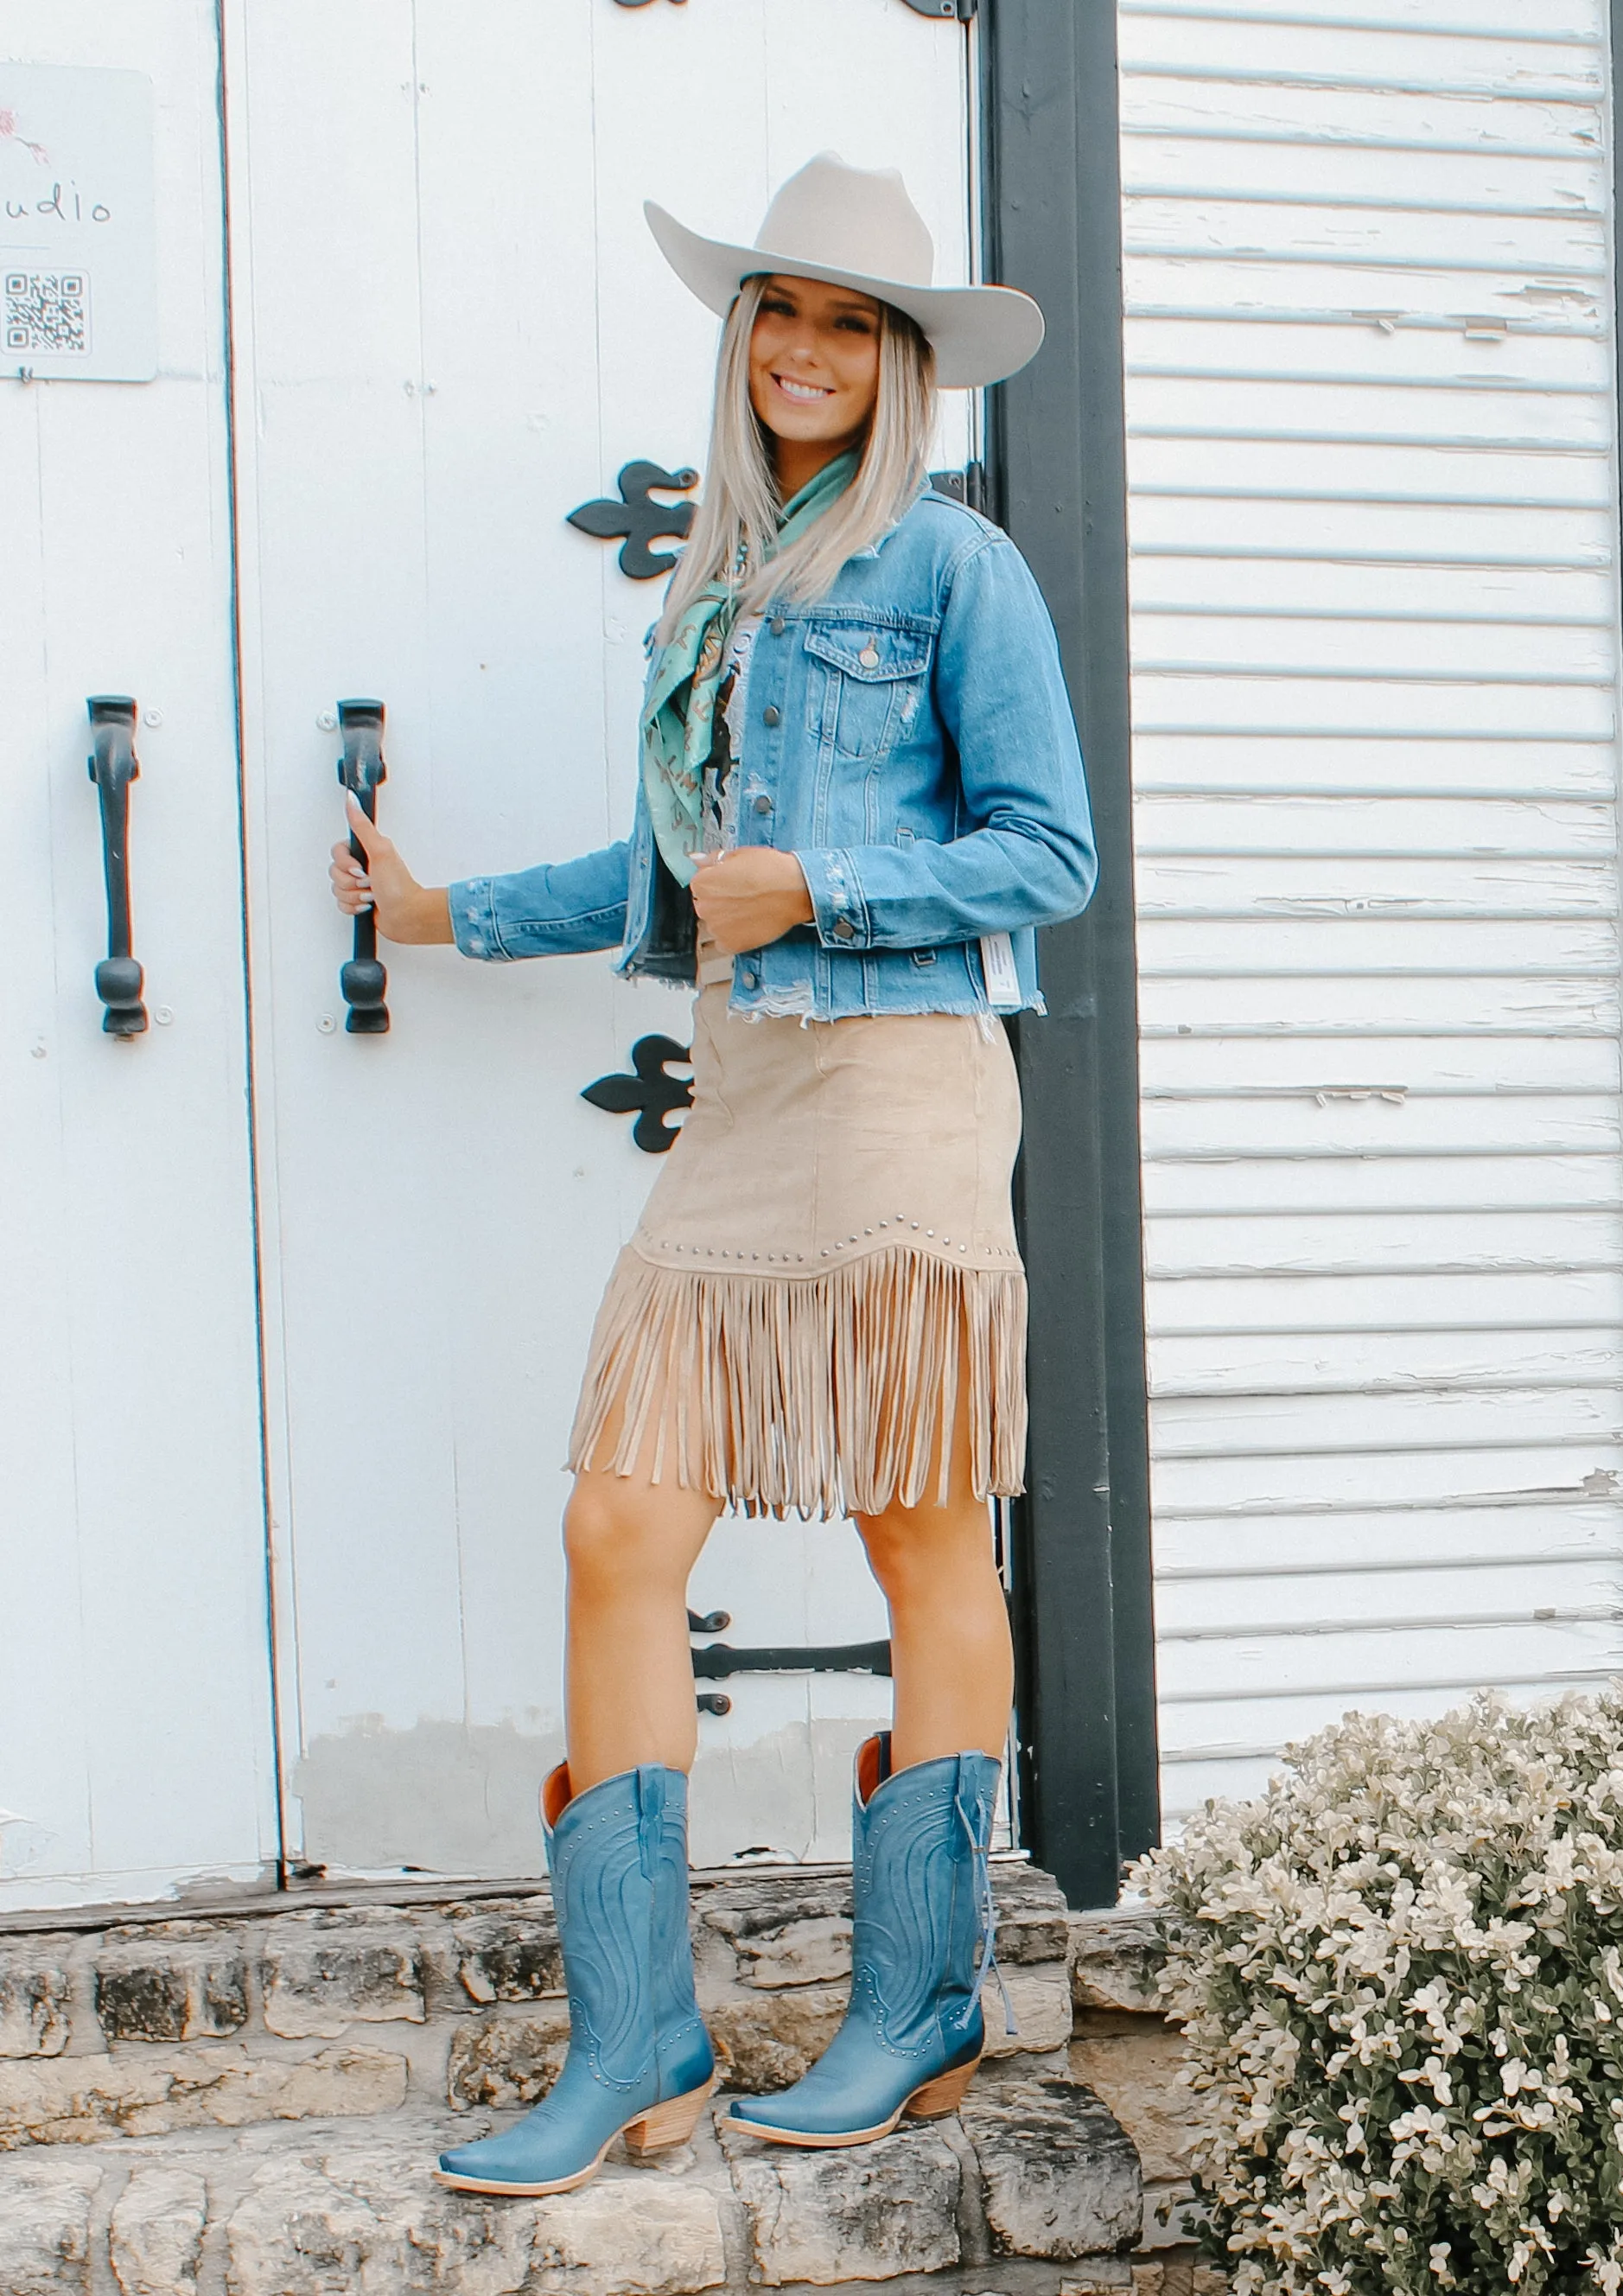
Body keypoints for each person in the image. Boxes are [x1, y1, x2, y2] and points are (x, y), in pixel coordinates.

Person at [328, 155, 1094, 2197]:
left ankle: (916, 2002)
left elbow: (1051, 853)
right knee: (617, 1520)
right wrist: (432, 914)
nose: (809, 352)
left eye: (853, 324)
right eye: (782, 312)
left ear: (905, 360)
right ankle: (638, 2036)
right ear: (740, 333)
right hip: (752, 1099)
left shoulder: (956, 570)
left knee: (914, 1525)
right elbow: (663, 876)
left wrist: (823, 881)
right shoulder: (716, 597)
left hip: (910, 1079)